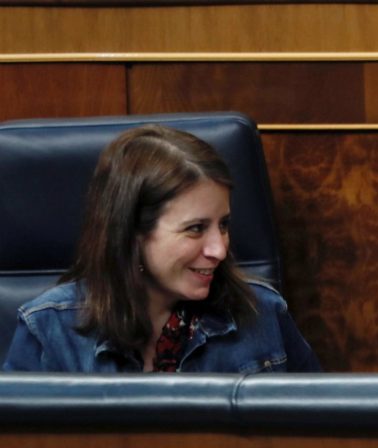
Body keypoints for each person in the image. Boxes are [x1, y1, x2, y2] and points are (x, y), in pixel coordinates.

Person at [3, 125, 320, 373]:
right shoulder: (48, 329)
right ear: (133, 233)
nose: (219, 250)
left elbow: (318, 430)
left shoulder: (262, 312)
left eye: (223, 225)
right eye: (195, 229)